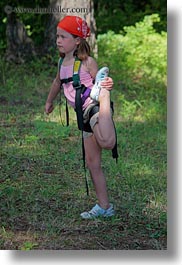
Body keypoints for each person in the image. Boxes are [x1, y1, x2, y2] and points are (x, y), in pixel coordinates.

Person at [45, 16, 117, 219]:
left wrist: (106, 85)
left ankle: (103, 96)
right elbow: (57, 83)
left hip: (93, 108)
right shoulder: (61, 62)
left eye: (63, 36)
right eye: (57, 36)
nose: (58, 40)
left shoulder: (87, 62)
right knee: (93, 162)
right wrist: (49, 101)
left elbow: (102, 79)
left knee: (107, 142)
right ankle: (105, 207)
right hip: (82, 116)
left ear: (77, 40)